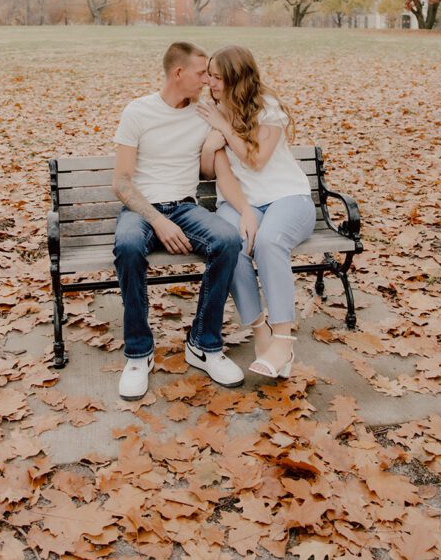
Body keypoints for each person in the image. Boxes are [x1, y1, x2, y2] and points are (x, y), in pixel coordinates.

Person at [112, 41, 245, 400]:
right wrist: (158, 221)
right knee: (127, 245)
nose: (207, 80)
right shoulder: (138, 112)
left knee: (228, 240)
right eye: (202, 73)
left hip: (186, 207)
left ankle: (204, 344)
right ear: (178, 73)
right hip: (142, 210)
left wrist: (210, 145)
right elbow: (121, 181)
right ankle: (139, 353)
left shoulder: (203, 113)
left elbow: (209, 169)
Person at [198, 45, 316, 379]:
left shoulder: (268, 108)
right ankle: (260, 331)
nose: (211, 82)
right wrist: (209, 147)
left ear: (238, 78)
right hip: (240, 202)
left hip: (287, 198)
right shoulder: (211, 110)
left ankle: (282, 339)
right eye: (210, 74)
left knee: (268, 242)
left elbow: (256, 159)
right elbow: (212, 172)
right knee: (228, 245)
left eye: (219, 77)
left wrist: (223, 125)